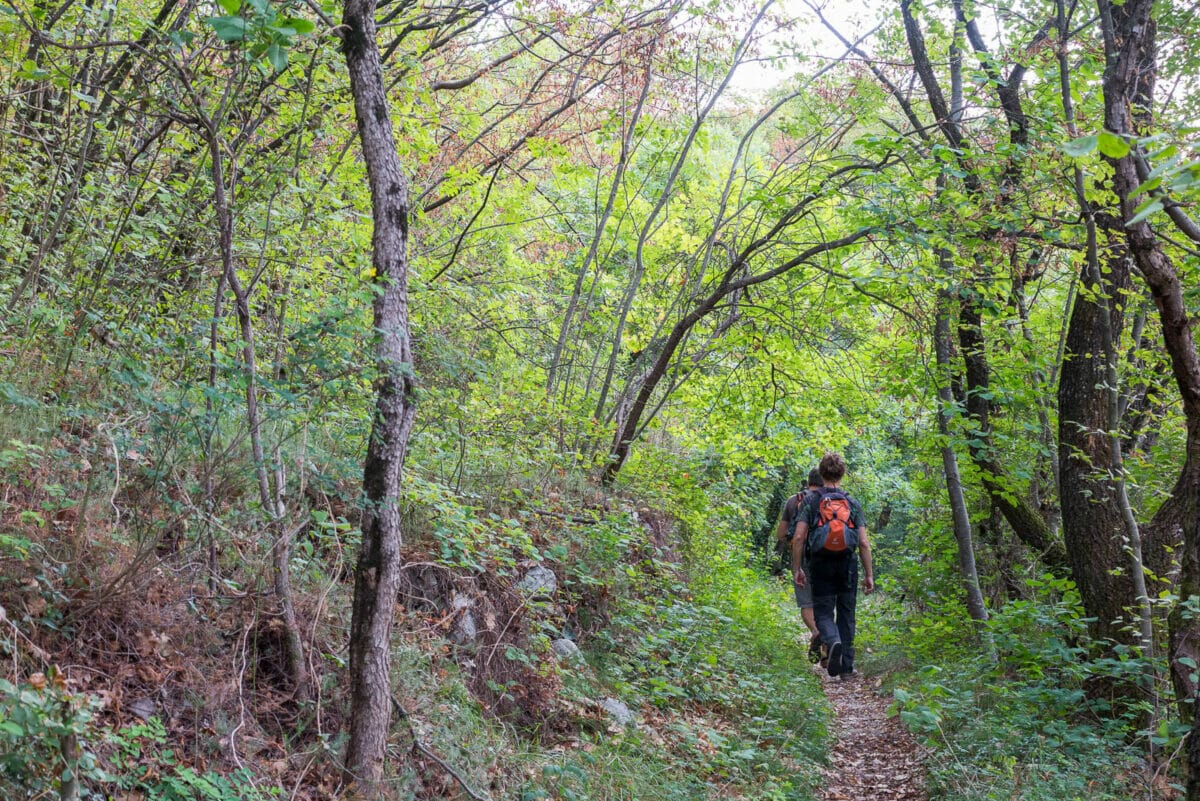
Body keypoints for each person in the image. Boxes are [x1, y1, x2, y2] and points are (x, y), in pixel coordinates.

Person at [792, 452, 874, 680]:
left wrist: (798, 568)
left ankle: (832, 640)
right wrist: (869, 574)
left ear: (821, 473)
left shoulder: (811, 501)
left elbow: (798, 538)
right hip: (847, 565)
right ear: (842, 474)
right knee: (847, 613)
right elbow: (864, 542)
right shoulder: (852, 503)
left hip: (820, 564)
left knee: (824, 611)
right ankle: (847, 669)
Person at [775, 469, 824, 662]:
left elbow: (781, 533)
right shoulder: (832, 500)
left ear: (808, 481)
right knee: (826, 603)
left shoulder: (794, 500)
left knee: (806, 602)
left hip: (801, 556)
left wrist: (793, 543)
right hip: (828, 557)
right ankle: (828, 643)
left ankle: (815, 631)